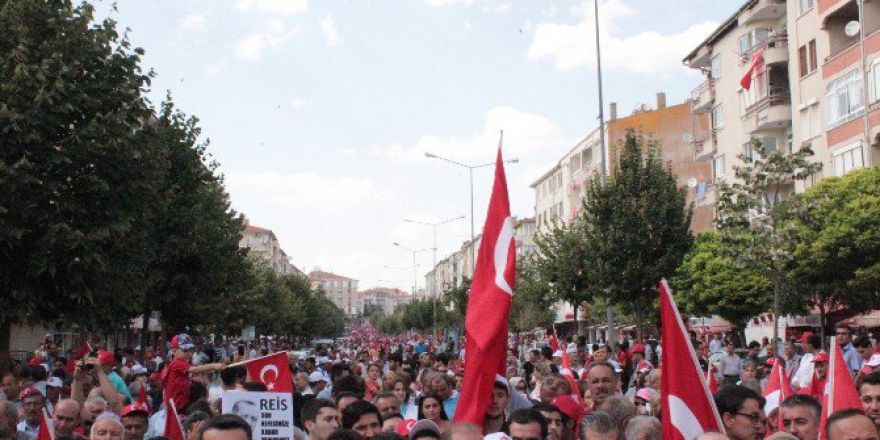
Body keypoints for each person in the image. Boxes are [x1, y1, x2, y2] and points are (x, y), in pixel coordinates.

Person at [163, 334, 225, 411]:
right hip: (177, 404)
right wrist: (213, 366)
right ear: (174, 351)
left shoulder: (183, 362)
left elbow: (182, 377)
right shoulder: (177, 363)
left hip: (181, 402)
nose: (189, 353)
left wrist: (192, 378)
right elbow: (195, 369)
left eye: (190, 350)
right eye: (185, 350)